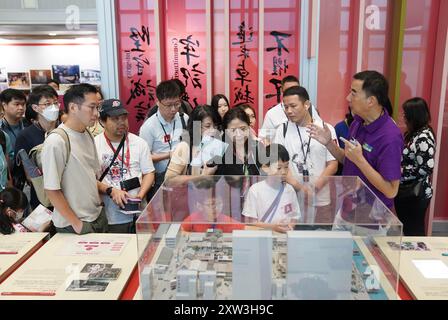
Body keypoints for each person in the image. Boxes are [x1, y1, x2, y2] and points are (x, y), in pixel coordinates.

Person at [308, 70, 403, 210]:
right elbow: (348, 160)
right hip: (348, 206)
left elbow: (391, 191)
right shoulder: (357, 123)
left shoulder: (390, 136)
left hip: (372, 216)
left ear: (371, 101)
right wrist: (329, 143)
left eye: (354, 93)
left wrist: (360, 160)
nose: (348, 98)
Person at [42, 83, 107, 234]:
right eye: (92, 107)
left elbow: (89, 174)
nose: (97, 113)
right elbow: (52, 189)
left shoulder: (87, 133)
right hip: (73, 224)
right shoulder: (56, 141)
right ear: (73, 107)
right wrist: (76, 223)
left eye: (98, 107)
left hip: (95, 216)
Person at [274, 86, 338, 224]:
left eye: (293, 106)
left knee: (320, 240)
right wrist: (300, 188)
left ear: (307, 104)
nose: (289, 111)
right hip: (291, 198)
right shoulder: (282, 130)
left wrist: (314, 189)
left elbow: (332, 164)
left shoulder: (326, 128)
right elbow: (278, 165)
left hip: (321, 200)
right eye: (285, 107)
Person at [95, 99, 155, 233]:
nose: (121, 122)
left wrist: (140, 195)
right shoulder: (94, 145)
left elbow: (149, 173)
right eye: (115, 119)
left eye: (124, 118)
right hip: (111, 216)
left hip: (139, 213)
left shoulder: (139, 143)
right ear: (103, 121)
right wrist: (111, 190)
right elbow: (90, 180)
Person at [140, 80, 189, 200]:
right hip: (160, 181)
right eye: (168, 105)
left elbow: (189, 145)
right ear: (158, 102)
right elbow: (143, 158)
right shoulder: (149, 127)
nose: (173, 109)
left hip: (183, 178)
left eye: (177, 104)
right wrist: (169, 155)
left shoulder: (184, 119)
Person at [395, 98, 435, 236]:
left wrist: (400, 171)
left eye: (405, 114)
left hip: (415, 193)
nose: (403, 117)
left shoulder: (423, 137)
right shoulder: (414, 134)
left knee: (414, 231)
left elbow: (425, 168)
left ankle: (417, 255)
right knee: (408, 229)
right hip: (407, 191)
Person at [15, 85, 59, 208]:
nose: (53, 107)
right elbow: (29, 175)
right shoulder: (26, 135)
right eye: (47, 104)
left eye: (56, 103)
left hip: (69, 194)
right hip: (42, 197)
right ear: (35, 107)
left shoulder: (64, 130)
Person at [242, 144, 301, 232]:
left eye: (286, 167)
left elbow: (295, 216)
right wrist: (273, 227)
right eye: (279, 168)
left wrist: (290, 226)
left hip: (286, 237)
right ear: (265, 167)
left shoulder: (289, 189)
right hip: (263, 237)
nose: (284, 172)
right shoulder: (255, 190)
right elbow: (250, 221)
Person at [165, 105, 222, 180]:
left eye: (215, 126)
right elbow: (169, 179)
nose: (213, 130)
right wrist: (201, 177)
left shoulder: (218, 144)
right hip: (189, 191)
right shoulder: (184, 147)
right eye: (207, 126)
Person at [259, 75, 320, 144]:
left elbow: (319, 128)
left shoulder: (309, 108)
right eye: (288, 90)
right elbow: (264, 139)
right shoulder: (272, 114)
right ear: (281, 90)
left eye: (295, 89)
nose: (291, 92)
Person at [214, 107, 261, 176]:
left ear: (249, 127)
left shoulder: (258, 147)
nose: (239, 134)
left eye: (243, 129)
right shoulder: (219, 152)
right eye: (233, 130)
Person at [0, 88, 28, 154]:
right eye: (17, 104)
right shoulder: (1, 129)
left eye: (23, 104)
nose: (21, 108)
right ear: (4, 105)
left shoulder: (28, 125)